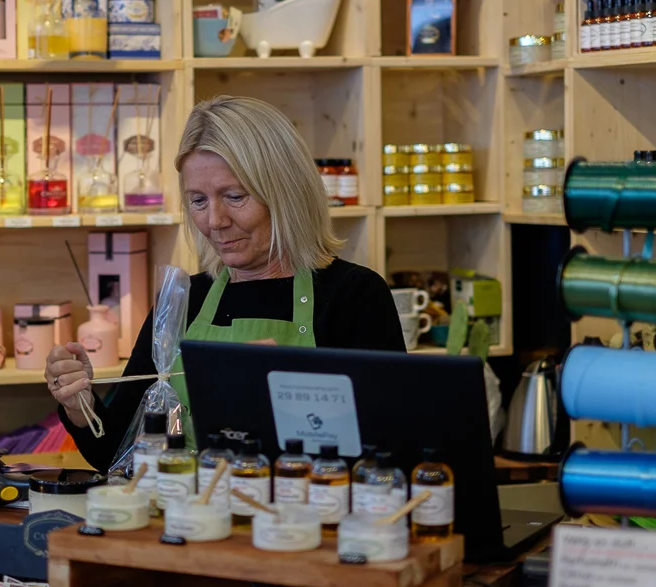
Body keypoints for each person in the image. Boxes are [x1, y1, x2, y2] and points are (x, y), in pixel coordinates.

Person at [45, 96, 406, 471]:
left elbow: (392, 447)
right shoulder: (184, 300)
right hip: (193, 505)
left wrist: (286, 386)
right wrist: (79, 403)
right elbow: (115, 454)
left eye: (235, 197)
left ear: (286, 192)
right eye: (198, 200)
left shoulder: (353, 295)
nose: (215, 221)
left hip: (306, 504)